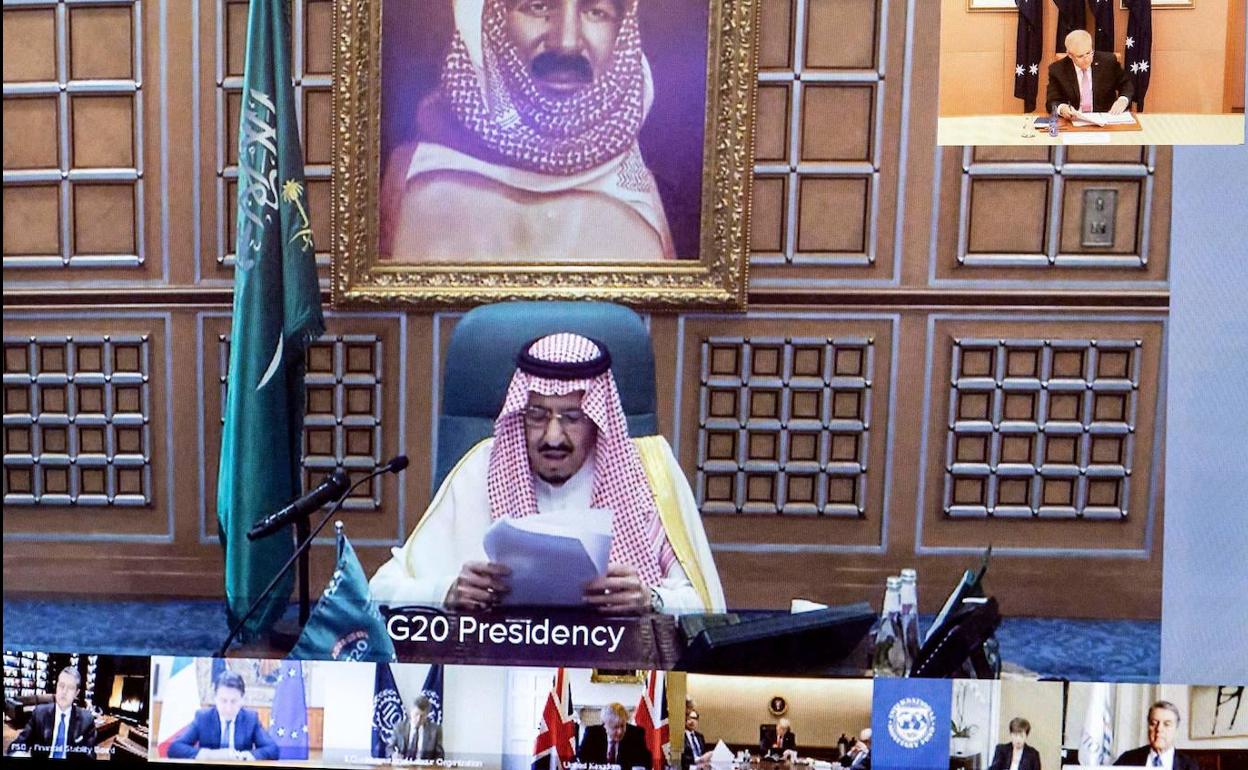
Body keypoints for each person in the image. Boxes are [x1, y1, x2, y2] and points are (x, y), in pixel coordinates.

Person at [369, 332, 725, 615]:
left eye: (572, 418)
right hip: (503, 666)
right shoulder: (482, 469)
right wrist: (445, 592)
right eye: (537, 416)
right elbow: (380, 590)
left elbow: (707, 609)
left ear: (597, 420)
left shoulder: (647, 473)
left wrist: (651, 600)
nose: (553, 436)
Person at [381, 0, 676, 261]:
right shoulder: (412, 179)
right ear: (488, 16)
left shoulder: (649, 195)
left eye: (596, 12)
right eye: (538, 7)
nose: (566, 43)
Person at [166, 671, 279, 761]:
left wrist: (247, 756)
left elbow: (273, 749)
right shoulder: (203, 718)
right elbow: (175, 748)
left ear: (242, 699)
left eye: (234, 701)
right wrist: (211, 755)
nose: (228, 708)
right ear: (215, 698)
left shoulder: (250, 719)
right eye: (223, 701)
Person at [6, 666, 97, 761]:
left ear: (76, 693)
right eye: (61, 685)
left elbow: (90, 754)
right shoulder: (39, 714)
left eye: (70, 688)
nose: (64, 692)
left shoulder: (87, 720)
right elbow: (18, 744)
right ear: (56, 687)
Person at [1045, 30, 1134, 119]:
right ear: (1070, 55)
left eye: (1088, 53)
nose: (1087, 59)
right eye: (1080, 56)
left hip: (1106, 118)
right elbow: (1052, 101)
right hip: (1075, 119)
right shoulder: (1057, 70)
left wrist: (1123, 99)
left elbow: (1126, 84)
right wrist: (1062, 108)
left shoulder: (1108, 62)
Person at [1113, 701, 1198, 769]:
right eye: (1153, 723)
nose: (1159, 729)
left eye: (1166, 724)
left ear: (1176, 730)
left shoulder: (1189, 765)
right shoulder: (1127, 759)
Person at [577, 703, 651, 768]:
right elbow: (580, 760)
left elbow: (645, 763)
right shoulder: (592, 734)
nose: (620, 731)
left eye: (622, 726)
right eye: (615, 727)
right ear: (605, 725)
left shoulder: (636, 734)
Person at [387, 695, 444, 761]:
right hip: (403, 765)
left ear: (427, 715)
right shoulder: (399, 727)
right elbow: (389, 748)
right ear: (411, 711)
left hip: (424, 766)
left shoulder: (435, 730)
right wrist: (394, 754)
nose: (418, 719)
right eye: (416, 714)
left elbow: (440, 755)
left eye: (422, 716)